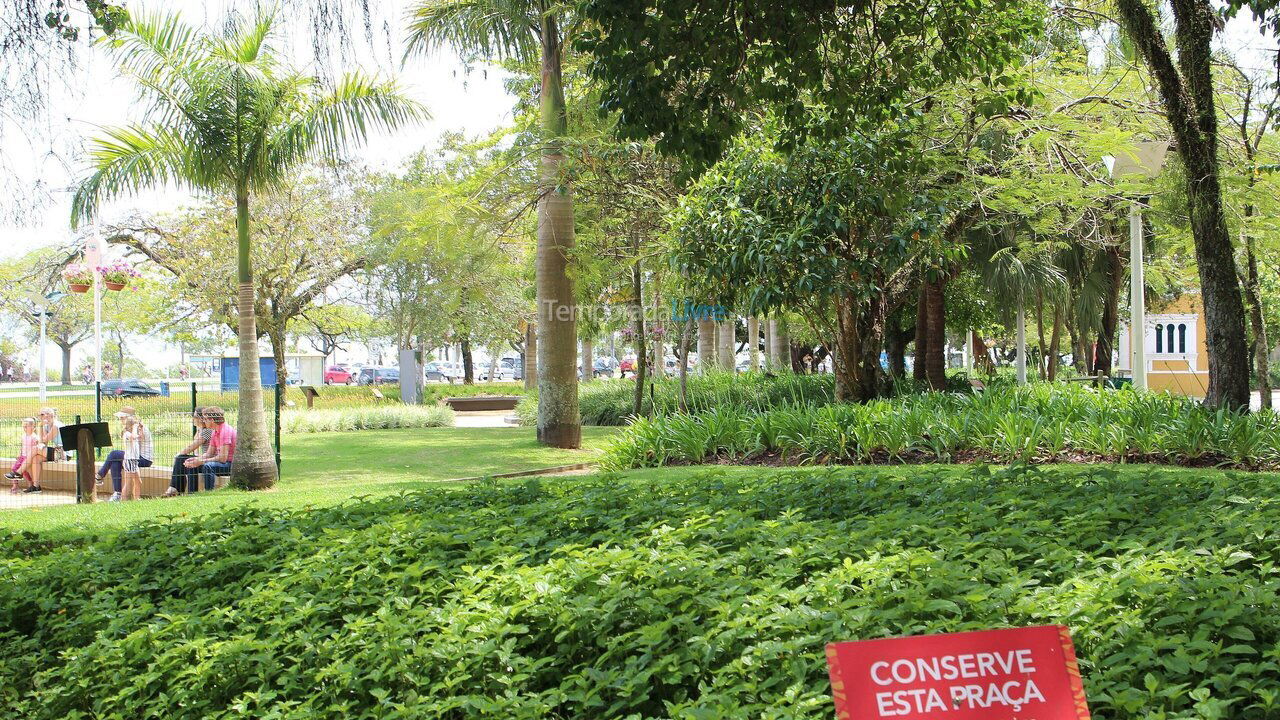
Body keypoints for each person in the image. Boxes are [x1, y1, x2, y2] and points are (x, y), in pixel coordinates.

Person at [98, 406, 153, 502]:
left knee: (113, 455)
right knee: (115, 462)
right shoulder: (128, 431)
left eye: (122, 418)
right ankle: (118, 494)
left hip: (143, 459)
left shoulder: (140, 428)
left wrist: (137, 428)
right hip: (132, 458)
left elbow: (138, 437)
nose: (121, 420)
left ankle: (100, 476)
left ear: (129, 418)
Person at [182, 406, 235, 491]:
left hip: (230, 464)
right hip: (221, 462)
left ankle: (208, 492)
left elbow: (223, 458)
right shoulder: (215, 431)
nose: (204, 421)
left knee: (208, 466)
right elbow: (209, 453)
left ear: (212, 420)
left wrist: (201, 461)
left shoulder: (225, 431)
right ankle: (192, 494)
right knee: (192, 465)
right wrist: (196, 460)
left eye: (206, 419)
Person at [164, 408, 211, 497]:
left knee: (181, 458)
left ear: (201, 419)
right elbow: (195, 448)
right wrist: (199, 428)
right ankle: (176, 489)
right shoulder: (202, 430)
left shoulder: (207, 431)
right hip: (203, 458)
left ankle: (176, 489)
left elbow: (193, 446)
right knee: (184, 460)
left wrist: (179, 454)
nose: (193, 419)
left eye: (195, 417)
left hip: (209, 460)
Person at [5, 418, 38, 493]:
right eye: (23, 426)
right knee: (14, 469)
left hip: (28, 458)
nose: (24, 428)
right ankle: (15, 485)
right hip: (22, 456)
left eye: (26, 426)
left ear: (33, 426)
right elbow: (22, 446)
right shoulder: (23, 436)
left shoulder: (34, 437)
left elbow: (35, 449)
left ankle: (30, 484)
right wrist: (19, 455)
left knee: (25, 471)